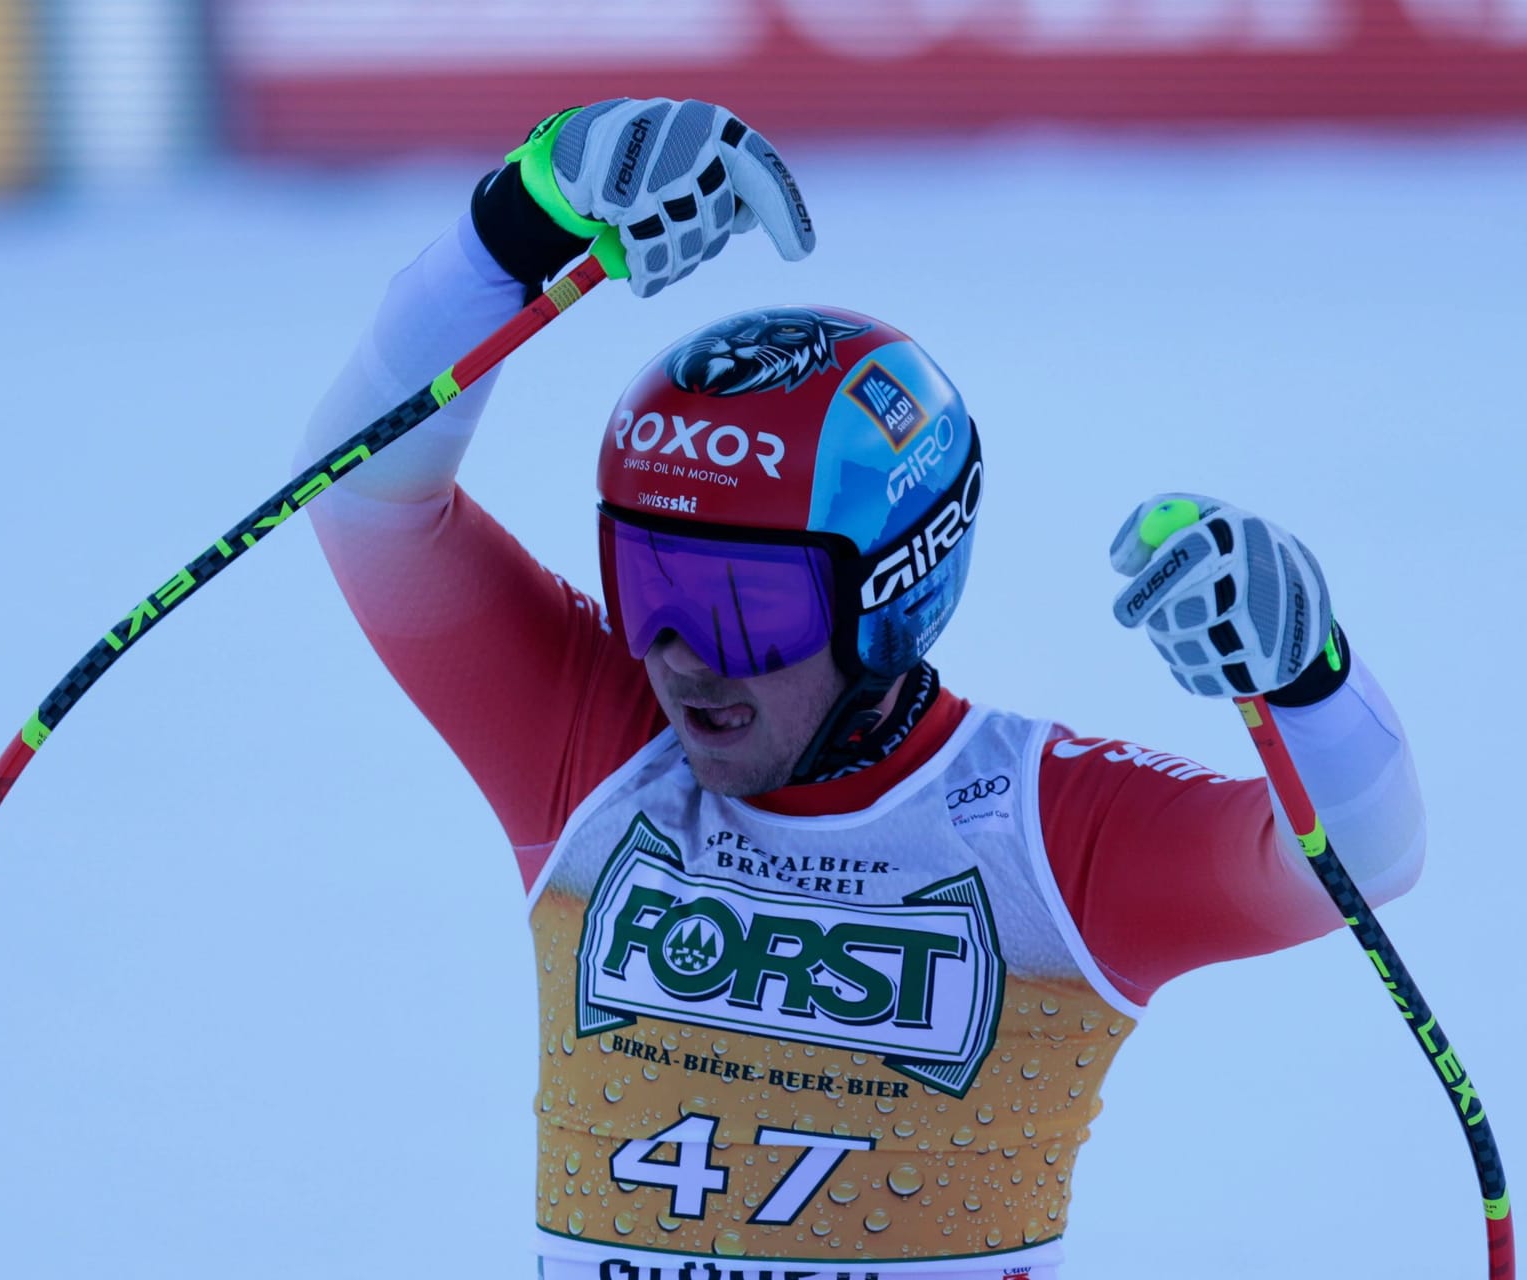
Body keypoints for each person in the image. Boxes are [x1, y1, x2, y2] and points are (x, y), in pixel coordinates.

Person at [298, 99, 1424, 1280]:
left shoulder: (1047, 833)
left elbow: (1363, 852)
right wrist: (522, 219)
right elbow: (360, 491)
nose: (682, 653)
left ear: (897, 589)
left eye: (744, 604)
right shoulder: (590, 747)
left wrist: (1309, 675)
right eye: (649, 580)